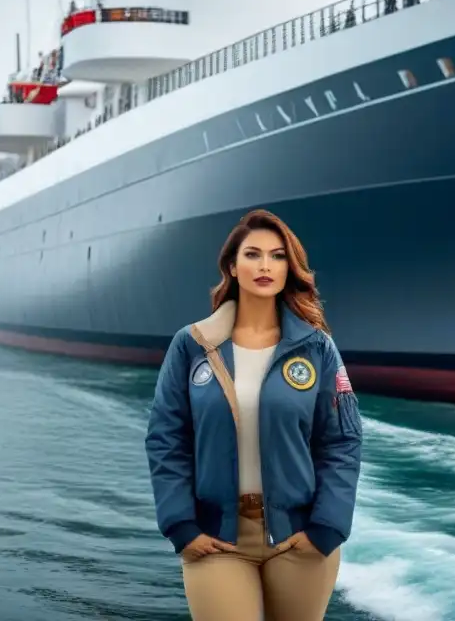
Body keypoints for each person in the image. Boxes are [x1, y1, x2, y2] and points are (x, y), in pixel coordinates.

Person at [145, 209, 363, 621]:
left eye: (278, 256)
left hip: (300, 541)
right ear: (232, 264)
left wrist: (326, 528)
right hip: (215, 539)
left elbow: (342, 442)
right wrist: (180, 526)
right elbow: (165, 440)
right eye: (253, 254)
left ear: (290, 268)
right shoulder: (191, 346)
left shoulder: (318, 349)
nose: (265, 266)